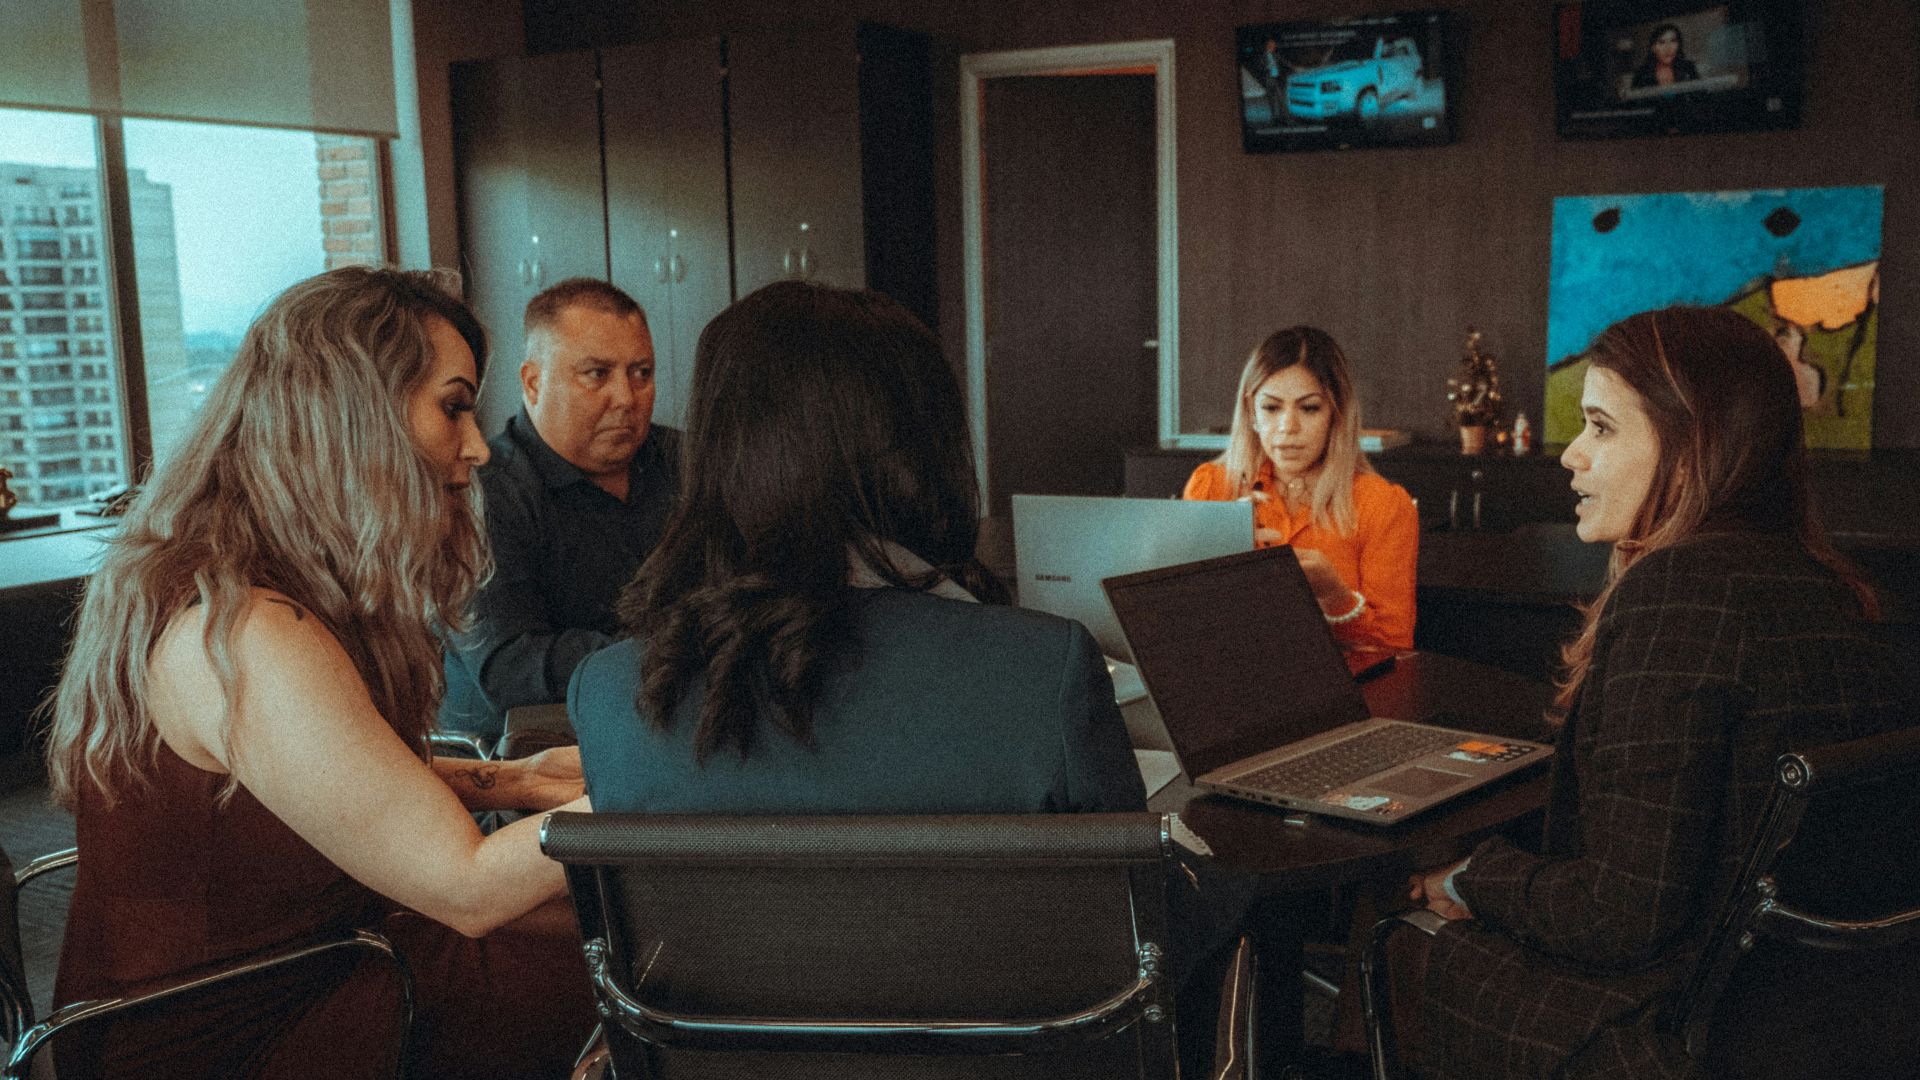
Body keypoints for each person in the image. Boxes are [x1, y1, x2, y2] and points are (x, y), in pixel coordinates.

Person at [44, 267, 597, 1079]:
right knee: (629, 964)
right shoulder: (246, 631)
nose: (478, 446)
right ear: (352, 418)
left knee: (608, 925)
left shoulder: (241, 579)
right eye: (452, 406)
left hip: (324, 950)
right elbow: (467, 886)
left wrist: (513, 779)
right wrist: (642, 787)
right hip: (233, 1028)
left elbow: (325, 777)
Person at [1402, 307, 1908, 1079]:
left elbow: (1619, 915)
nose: (1571, 454)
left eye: (1601, 427)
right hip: (1823, 1014)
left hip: (1673, 1025)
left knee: (1398, 930)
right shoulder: (1828, 588)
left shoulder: (1679, 592)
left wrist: (1477, 875)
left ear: (1693, 442)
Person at [570, 280, 1141, 814]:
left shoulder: (610, 696)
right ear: (925, 446)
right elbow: (1145, 910)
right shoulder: (1041, 672)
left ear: (720, 456)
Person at [439, 277, 681, 738]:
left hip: (670, 733)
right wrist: (677, 650)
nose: (626, 398)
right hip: (528, 766)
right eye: (597, 374)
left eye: (641, 373)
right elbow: (511, 667)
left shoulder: (691, 464)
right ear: (533, 382)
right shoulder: (479, 492)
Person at [1183, 326, 1418, 652]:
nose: (1288, 427)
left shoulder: (1383, 505)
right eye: (1271, 408)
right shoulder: (1211, 488)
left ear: (1336, 415)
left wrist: (1336, 597)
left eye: (1309, 408)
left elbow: (1395, 648)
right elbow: (1182, 624)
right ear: (1251, 412)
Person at [1629, 23, 1700, 90]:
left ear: (1679, 45)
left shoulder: (1688, 68)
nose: (1668, 48)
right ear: (1653, 48)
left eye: (1673, 41)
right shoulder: (1642, 74)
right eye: (1661, 42)